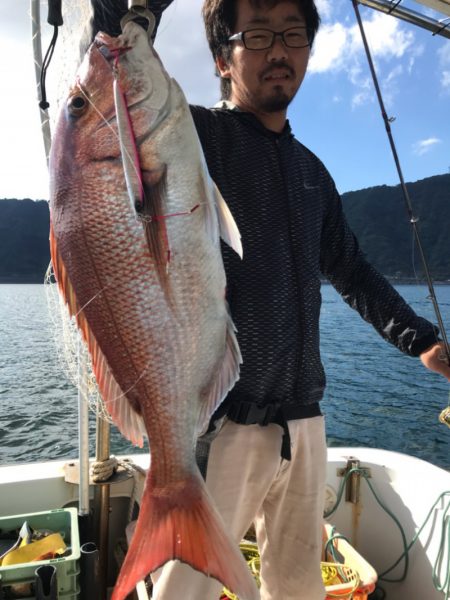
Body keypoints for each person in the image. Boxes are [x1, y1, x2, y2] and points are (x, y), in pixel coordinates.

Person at [91, 1, 450, 598]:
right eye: (256, 35)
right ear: (220, 59)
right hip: (222, 425)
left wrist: (423, 341)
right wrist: (139, 18)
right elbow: (118, 103)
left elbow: (353, 272)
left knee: (297, 587)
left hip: (305, 422)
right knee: (186, 590)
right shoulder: (194, 137)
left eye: (293, 35)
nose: (279, 51)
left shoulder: (314, 172)